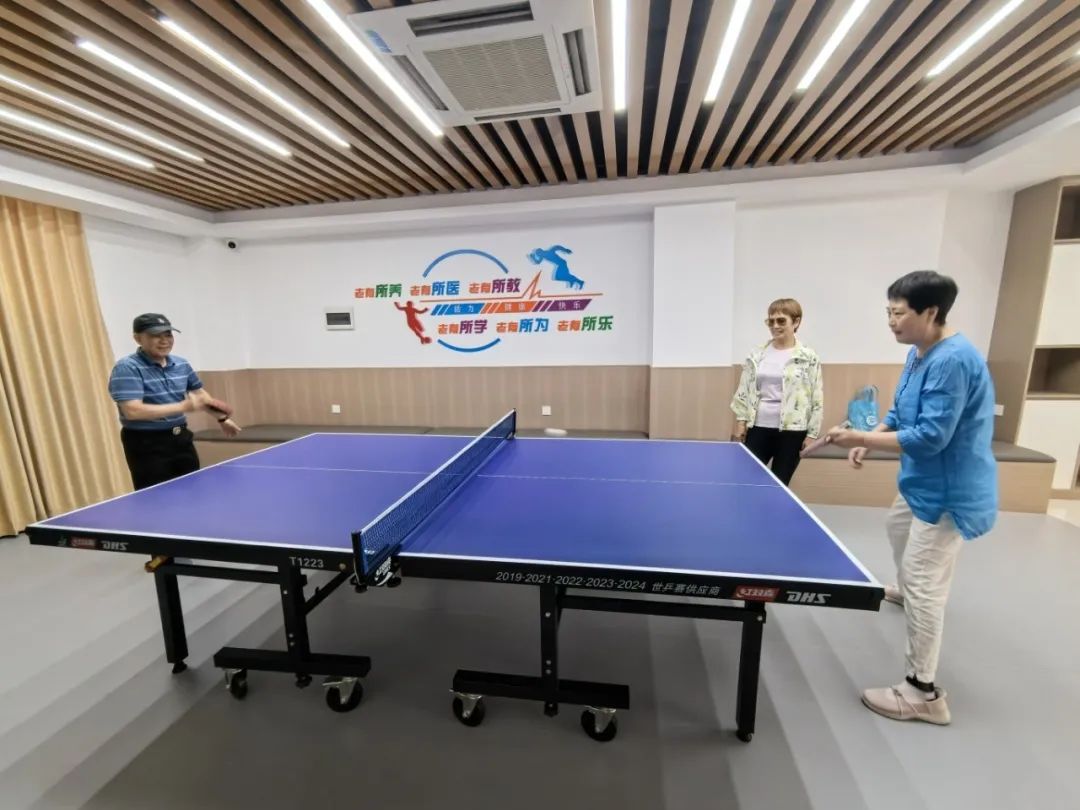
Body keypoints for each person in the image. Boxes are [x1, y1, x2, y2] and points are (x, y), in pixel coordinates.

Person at [825, 271, 997, 726]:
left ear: (931, 312)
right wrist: (875, 433)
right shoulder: (918, 352)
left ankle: (923, 692)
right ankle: (907, 590)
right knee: (896, 528)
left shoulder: (953, 361)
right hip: (920, 482)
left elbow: (931, 437)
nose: (891, 321)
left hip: (950, 488)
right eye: (888, 312)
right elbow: (902, 410)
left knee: (926, 582)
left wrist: (860, 437)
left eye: (898, 313)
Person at [108, 313, 240, 491]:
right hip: (146, 443)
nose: (164, 341)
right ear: (138, 338)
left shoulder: (181, 364)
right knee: (157, 497)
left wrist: (222, 418)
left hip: (180, 438)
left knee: (193, 490)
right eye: (156, 335)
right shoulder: (127, 367)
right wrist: (183, 406)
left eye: (168, 335)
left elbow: (200, 396)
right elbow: (133, 411)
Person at [730, 298, 823, 485]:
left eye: (781, 321)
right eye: (770, 321)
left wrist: (812, 434)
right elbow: (744, 390)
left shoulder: (808, 357)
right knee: (745, 480)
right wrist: (741, 422)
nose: (775, 326)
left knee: (779, 483)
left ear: (796, 322)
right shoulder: (757, 354)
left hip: (793, 432)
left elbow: (816, 397)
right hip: (758, 427)